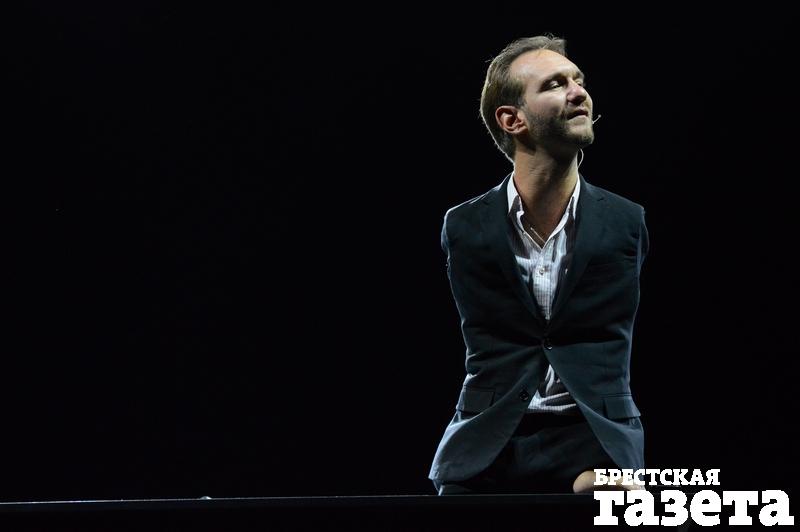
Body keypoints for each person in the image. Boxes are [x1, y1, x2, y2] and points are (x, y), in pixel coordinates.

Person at [429, 35, 649, 495]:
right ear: (513, 120)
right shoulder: (465, 227)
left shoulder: (625, 221)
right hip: (490, 438)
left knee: (621, 502)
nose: (578, 92)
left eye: (578, 80)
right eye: (554, 84)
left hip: (594, 437)